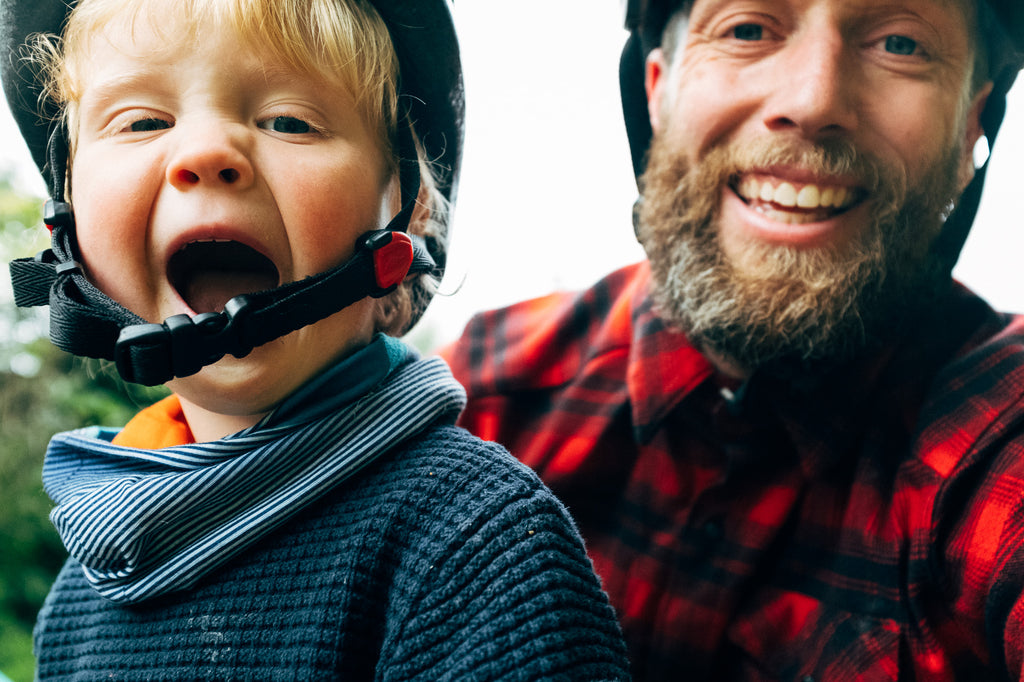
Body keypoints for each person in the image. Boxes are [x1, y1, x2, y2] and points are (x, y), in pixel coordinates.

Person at [1, 0, 632, 679]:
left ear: (407, 216)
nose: (208, 154)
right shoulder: (88, 581)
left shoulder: (476, 541)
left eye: (290, 121)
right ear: (65, 225)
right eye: (143, 121)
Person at [442, 0, 1024, 679]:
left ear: (970, 131)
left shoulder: (997, 444)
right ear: (658, 91)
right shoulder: (486, 396)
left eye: (900, 43)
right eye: (748, 28)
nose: (812, 100)